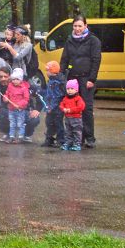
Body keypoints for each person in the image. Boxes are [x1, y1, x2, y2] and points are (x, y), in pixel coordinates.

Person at [59, 15, 101, 148]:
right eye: (75, 26)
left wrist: (92, 79)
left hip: (86, 78)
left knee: (86, 108)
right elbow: (65, 58)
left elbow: (96, 60)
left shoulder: (93, 41)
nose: (77, 29)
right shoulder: (70, 40)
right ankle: (77, 137)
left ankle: (89, 137)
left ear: (85, 26)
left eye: (80, 26)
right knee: (71, 106)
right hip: (72, 78)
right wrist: (61, 74)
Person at [41, 61, 66, 148]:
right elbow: (48, 94)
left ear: (52, 71)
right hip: (50, 107)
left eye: (47, 70)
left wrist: (51, 106)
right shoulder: (51, 81)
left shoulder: (57, 82)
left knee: (58, 123)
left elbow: (57, 96)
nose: (46, 72)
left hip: (57, 108)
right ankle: (49, 139)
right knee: (49, 122)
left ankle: (61, 140)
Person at [3, 68, 30, 144]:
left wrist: (19, 104)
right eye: (13, 79)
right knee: (12, 123)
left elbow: (26, 99)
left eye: (17, 79)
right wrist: (5, 98)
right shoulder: (10, 86)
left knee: (20, 124)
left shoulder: (24, 88)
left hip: (20, 110)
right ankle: (11, 136)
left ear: (21, 79)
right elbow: (7, 94)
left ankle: (20, 137)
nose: (15, 81)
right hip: (11, 109)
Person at [59, 79, 86, 151]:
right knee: (68, 131)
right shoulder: (65, 98)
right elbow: (61, 104)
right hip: (67, 118)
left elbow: (81, 107)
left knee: (77, 132)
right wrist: (63, 109)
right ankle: (68, 143)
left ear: (76, 90)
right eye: (68, 89)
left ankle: (77, 144)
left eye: (72, 88)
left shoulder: (78, 98)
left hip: (76, 119)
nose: (69, 90)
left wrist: (70, 110)